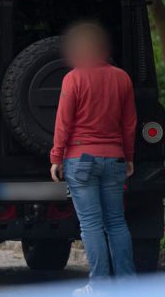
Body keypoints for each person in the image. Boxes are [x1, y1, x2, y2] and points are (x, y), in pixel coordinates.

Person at [50, 21, 137, 278]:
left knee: (91, 225)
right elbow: (129, 123)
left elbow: (63, 122)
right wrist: (129, 157)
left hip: (81, 159)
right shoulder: (122, 78)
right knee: (117, 222)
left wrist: (57, 157)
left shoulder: (73, 78)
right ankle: (127, 281)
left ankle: (99, 285)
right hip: (115, 159)